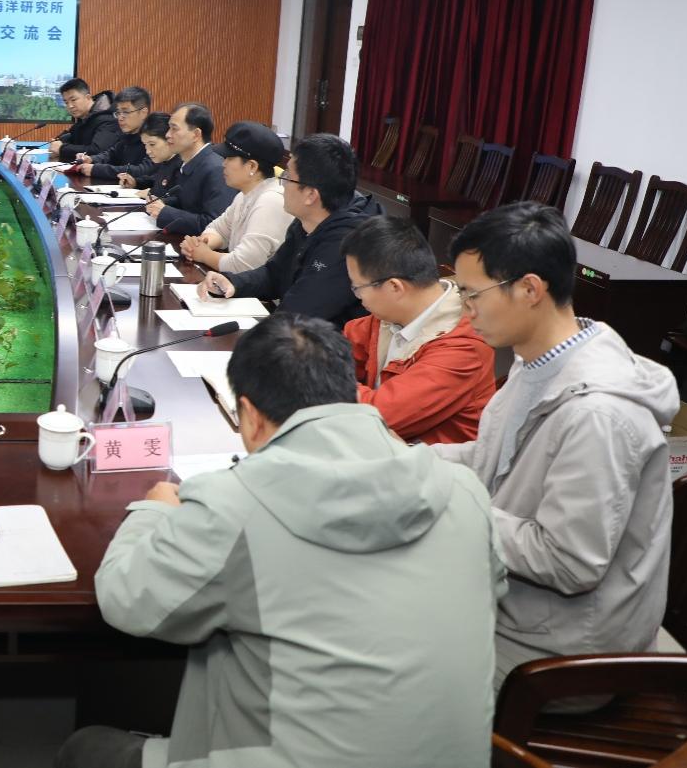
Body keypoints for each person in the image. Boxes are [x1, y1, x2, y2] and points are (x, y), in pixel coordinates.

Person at [61, 313, 502, 768]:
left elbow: (126, 600)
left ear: (250, 417)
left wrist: (154, 510)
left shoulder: (236, 502)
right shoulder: (463, 490)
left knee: (86, 750)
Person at [435, 202, 675, 691]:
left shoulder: (599, 416)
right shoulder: (537, 362)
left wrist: (441, 500)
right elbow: (494, 460)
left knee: (376, 645)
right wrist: (406, 462)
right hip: (521, 609)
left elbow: (568, 562)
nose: (465, 309)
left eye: (472, 294)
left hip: (564, 652)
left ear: (530, 289)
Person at [340, 216, 494, 445]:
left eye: (357, 287)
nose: (358, 296)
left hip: (432, 464)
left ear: (394, 287)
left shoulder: (463, 348)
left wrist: (316, 378)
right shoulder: (390, 316)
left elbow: (377, 414)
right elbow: (334, 352)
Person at [199, 132, 378, 327]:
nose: (281, 185)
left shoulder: (349, 243)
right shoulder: (307, 219)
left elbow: (300, 312)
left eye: (287, 177)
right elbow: (274, 273)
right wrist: (233, 283)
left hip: (324, 341)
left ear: (311, 195)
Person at [180, 120, 289, 274]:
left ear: (252, 166)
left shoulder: (271, 201)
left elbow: (243, 264)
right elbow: (218, 229)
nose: (223, 164)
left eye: (229, 158)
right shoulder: (245, 195)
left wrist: (204, 255)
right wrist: (201, 244)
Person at [144, 103, 236, 235]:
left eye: (174, 129)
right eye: (169, 128)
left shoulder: (216, 168)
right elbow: (188, 203)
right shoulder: (189, 162)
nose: (168, 135)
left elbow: (214, 225)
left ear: (196, 134)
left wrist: (165, 212)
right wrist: (160, 203)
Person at [78, 86, 153, 184]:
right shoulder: (126, 135)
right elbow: (111, 154)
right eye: (118, 112)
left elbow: (142, 170)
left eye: (125, 112)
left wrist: (96, 169)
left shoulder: (155, 138)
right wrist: (91, 159)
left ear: (143, 113)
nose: (120, 118)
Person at [50, 78, 118, 161]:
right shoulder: (84, 118)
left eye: (73, 100)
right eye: (66, 102)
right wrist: (58, 142)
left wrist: (62, 148)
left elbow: (97, 150)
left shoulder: (108, 119)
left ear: (88, 97)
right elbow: (71, 135)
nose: (70, 106)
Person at [121, 112, 179, 196]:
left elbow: (176, 196)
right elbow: (156, 179)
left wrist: (153, 194)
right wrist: (135, 182)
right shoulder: (165, 162)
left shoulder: (182, 166)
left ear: (169, 139)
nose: (148, 151)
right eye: (145, 145)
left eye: (152, 144)